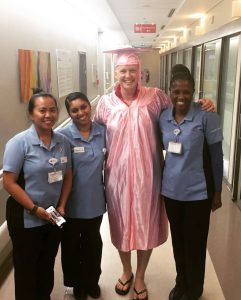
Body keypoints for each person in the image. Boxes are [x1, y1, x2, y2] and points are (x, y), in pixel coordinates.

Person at [94, 49, 215, 300]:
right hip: (116, 178)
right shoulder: (105, 104)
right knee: (120, 225)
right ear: (115, 73)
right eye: (123, 71)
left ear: (140, 73)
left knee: (146, 224)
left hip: (149, 176)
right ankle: (126, 271)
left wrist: (203, 104)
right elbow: (94, 134)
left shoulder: (155, 97)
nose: (128, 76)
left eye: (132, 71)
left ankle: (140, 275)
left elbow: (180, 110)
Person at [159, 65, 223, 300]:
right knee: (178, 241)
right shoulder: (163, 117)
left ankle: (194, 288)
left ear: (194, 92)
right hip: (171, 192)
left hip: (198, 193)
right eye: (176, 91)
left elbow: (216, 156)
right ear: (170, 91)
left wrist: (217, 192)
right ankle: (181, 282)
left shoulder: (207, 115)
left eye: (186, 91)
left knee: (195, 244)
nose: (181, 96)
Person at [3, 90, 72, 300]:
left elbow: (68, 175)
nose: (48, 115)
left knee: (46, 265)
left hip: (51, 216)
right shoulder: (19, 143)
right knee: (26, 270)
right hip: (26, 217)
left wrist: (61, 206)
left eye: (52, 110)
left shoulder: (62, 141)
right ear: (32, 114)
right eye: (42, 110)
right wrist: (34, 209)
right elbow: (8, 182)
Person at [57, 92, 106, 300]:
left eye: (83, 107)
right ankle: (77, 284)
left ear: (90, 106)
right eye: (74, 110)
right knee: (71, 245)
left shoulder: (103, 132)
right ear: (69, 113)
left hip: (95, 201)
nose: (80, 113)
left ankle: (92, 281)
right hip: (70, 203)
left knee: (93, 243)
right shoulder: (63, 137)